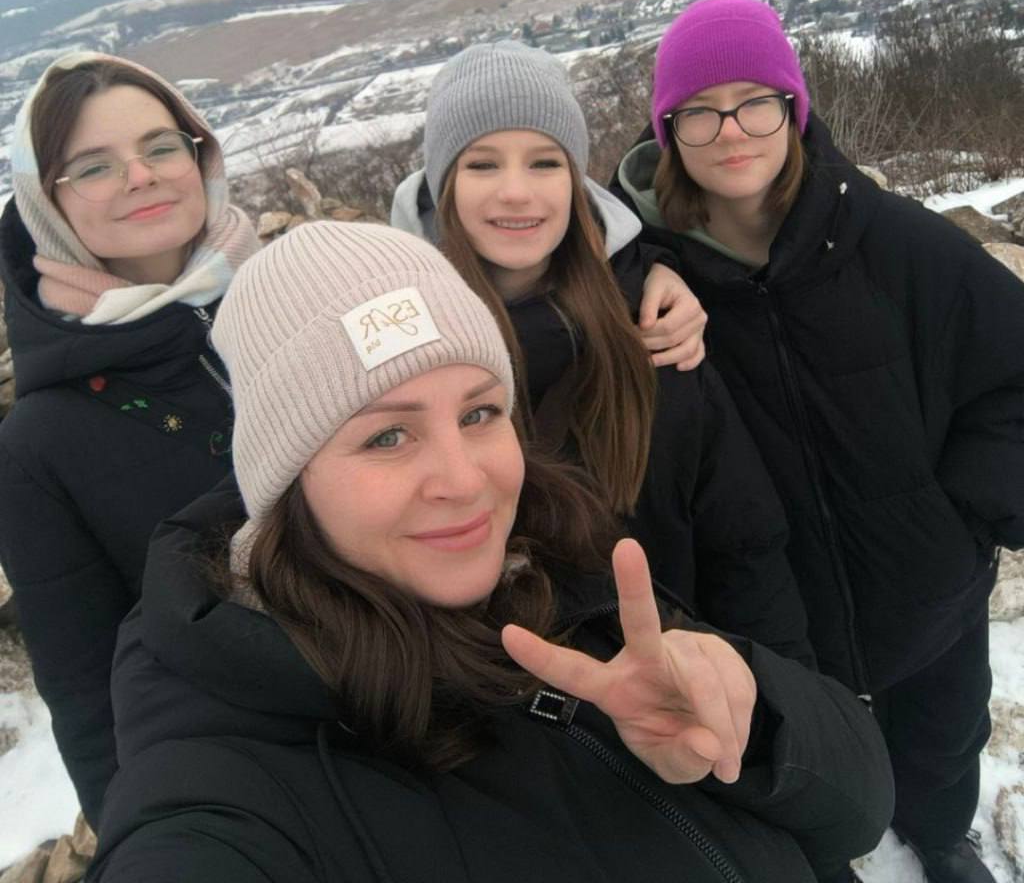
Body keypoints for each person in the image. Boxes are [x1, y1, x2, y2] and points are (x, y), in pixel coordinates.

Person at [90, 222, 893, 882]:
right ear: (288, 482)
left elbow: (859, 813)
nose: (465, 480)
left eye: (478, 414)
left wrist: (750, 727)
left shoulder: (561, 571)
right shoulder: (233, 776)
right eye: (388, 435)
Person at [611, 0, 1024, 883]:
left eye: (755, 101)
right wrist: (639, 269)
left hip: (926, 595)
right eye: (700, 110)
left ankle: (941, 838)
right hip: (773, 620)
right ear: (667, 130)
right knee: (801, 767)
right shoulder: (649, 288)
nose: (732, 131)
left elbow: (1012, 372)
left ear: (794, 107)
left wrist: (963, 517)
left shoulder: (897, 243)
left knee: (944, 734)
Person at [391, 41, 811, 663]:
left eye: (544, 163)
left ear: (576, 180)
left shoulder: (650, 326)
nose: (516, 192)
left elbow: (742, 540)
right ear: (442, 185)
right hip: (484, 694)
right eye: (482, 165)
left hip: (671, 683)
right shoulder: (397, 352)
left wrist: (781, 693)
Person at [0, 51, 260, 827]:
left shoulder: (294, 300)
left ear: (198, 154)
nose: (141, 176)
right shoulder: (39, 445)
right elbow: (91, 698)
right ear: (49, 204)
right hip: (260, 778)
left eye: (159, 146)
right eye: (94, 166)